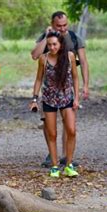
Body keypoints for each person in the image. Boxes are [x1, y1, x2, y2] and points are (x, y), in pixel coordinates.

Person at [31, 11, 89, 168]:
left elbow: (83, 63)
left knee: (69, 126)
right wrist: (47, 36)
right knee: (49, 127)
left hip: (67, 93)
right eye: (59, 26)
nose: (62, 28)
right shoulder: (47, 40)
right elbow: (35, 55)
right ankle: (53, 156)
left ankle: (66, 156)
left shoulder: (74, 40)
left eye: (65, 25)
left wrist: (85, 87)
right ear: (52, 24)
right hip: (49, 94)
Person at [29, 31, 80, 178]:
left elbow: (75, 78)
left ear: (60, 44)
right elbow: (39, 79)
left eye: (55, 44)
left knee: (71, 130)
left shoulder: (69, 56)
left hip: (66, 98)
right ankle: (54, 166)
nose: (52, 47)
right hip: (49, 99)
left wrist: (76, 98)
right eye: (49, 44)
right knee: (52, 133)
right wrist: (34, 98)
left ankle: (69, 164)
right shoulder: (43, 59)